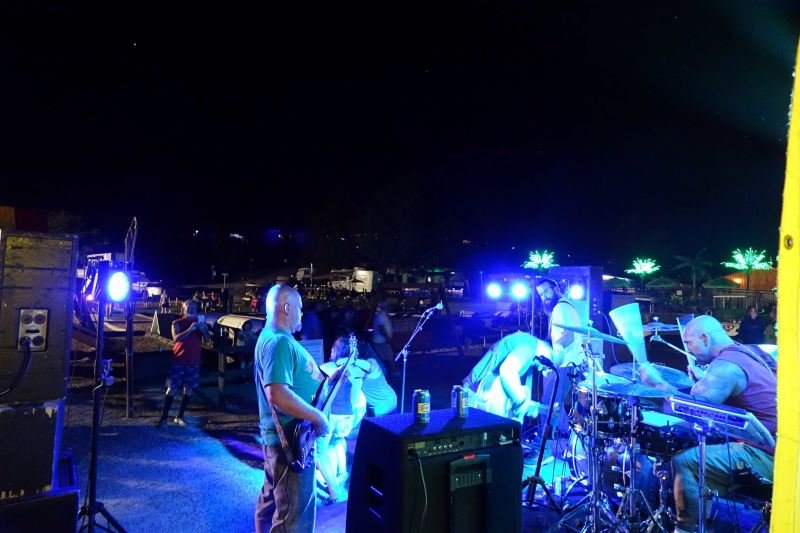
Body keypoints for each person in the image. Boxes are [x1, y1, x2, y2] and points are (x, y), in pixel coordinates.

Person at [638, 315, 776, 533]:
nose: (689, 349)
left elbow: (692, 408)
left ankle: (686, 528)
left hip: (766, 454)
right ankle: (707, 520)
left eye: (690, 343)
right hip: (782, 446)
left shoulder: (726, 367)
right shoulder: (750, 352)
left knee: (686, 462)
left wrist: (657, 383)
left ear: (704, 338)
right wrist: (706, 378)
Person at [254, 284, 329, 533]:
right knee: (294, 518)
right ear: (287, 308)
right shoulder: (279, 342)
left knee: (270, 504)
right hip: (290, 443)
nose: (301, 314)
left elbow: (295, 378)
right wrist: (318, 416)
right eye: (299, 308)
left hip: (278, 441)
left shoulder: (275, 339)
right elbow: (276, 393)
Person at [315, 336, 368, 505]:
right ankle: (341, 473)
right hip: (349, 416)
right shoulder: (359, 369)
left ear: (339, 351)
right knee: (338, 441)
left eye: (333, 348)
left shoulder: (328, 367)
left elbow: (319, 387)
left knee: (318, 452)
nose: (331, 350)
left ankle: (332, 490)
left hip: (333, 416)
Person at [462, 331, 551, 422]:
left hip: (476, 392)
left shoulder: (526, 342)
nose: (544, 372)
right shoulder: (528, 347)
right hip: (476, 396)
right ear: (551, 350)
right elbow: (507, 370)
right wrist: (521, 403)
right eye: (549, 367)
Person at [156, 299, 210, 427]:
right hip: (179, 361)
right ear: (183, 309)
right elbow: (176, 338)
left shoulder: (200, 323)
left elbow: (207, 340)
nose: (190, 308)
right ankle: (163, 418)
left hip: (194, 361)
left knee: (188, 390)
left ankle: (179, 416)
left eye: (193, 306)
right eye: (187, 306)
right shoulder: (177, 322)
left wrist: (205, 331)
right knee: (171, 389)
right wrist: (191, 329)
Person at [370, 299, 398, 375]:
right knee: (390, 358)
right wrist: (388, 338)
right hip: (382, 341)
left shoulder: (380, 315)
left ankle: (387, 373)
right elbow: (381, 328)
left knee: (383, 359)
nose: (390, 307)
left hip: (379, 341)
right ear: (385, 307)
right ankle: (394, 374)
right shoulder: (382, 316)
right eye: (388, 306)